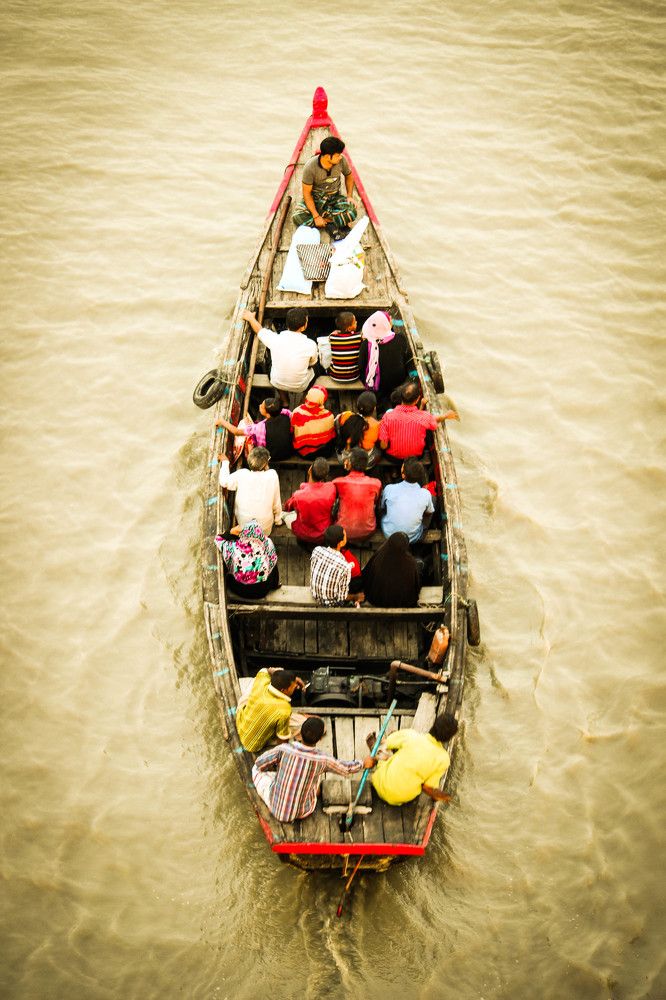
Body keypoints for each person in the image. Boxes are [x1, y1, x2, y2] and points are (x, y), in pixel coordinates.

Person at [252, 716, 374, 823]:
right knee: (315, 774)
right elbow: (346, 769)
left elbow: (259, 763)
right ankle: (313, 790)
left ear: (300, 733)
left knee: (256, 770)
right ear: (320, 739)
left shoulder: (284, 749)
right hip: (303, 812)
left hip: (275, 807)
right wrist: (363, 763)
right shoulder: (322, 759)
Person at [369, 714, 459, 806]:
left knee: (391, 740)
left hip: (379, 784)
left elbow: (387, 742)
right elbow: (428, 788)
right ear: (448, 738)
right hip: (399, 798)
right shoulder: (443, 759)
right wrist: (441, 797)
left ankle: (379, 755)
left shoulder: (411, 735)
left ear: (434, 725)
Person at [242, 307, 317, 404]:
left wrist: (251, 318)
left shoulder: (275, 339)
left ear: (287, 324)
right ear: (303, 327)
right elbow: (312, 364)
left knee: (271, 364)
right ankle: (303, 399)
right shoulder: (310, 344)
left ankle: (284, 400)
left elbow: (259, 330)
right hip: (301, 386)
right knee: (317, 369)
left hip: (277, 382)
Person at [292, 135, 358, 240]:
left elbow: (349, 176)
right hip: (316, 198)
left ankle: (326, 221)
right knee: (297, 216)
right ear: (328, 156)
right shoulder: (310, 168)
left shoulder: (342, 161)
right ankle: (331, 222)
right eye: (337, 155)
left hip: (334, 197)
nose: (340, 157)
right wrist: (316, 216)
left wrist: (349, 196)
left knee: (352, 212)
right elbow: (307, 193)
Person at [379, 381, 459, 461]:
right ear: (417, 399)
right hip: (415, 458)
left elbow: (383, 446)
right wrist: (445, 416)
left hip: (393, 458)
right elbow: (433, 424)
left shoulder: (387, 417)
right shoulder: (424, 416)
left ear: (401, 397)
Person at [237, 668, 307, 753]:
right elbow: (282, 740)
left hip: (240, 721)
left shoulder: (262, 682)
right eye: (293, 686)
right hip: (252, 745)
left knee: (254, 681)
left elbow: (266, 670)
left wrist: (294, 679)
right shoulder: (284, 709)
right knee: (301, 722)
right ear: (283, 690)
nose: (296, 686)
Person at [218, 446, 283, 536]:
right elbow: (277, 502)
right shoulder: (272, 475)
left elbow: (224, 482)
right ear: (265, 464)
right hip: (264, 530)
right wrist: (278, 520)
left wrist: (225, 462)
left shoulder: (242, 474)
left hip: (243, 528)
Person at [215, 519, 280, 600]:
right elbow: (273, 563)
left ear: (243, 534)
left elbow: (218, 539)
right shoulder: (267, 543)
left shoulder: (233, 548)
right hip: (263, 591)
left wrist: (231, 531)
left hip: (241, 590)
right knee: (272, 560)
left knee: (230, 574)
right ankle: (275, 585)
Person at [358, 311, 412, 405]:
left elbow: (361, 366)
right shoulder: (400, 338)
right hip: (398, 380)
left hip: (377, 383)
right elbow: (404, 357)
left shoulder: (366, 344)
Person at [216, 396, 293, 462]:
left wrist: (222, 422)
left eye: (262, 407)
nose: (259, 406)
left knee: (249, 438)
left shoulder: (260, 428)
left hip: (272, 457)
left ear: (268, 414)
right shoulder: (285, 413)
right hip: (288, 452)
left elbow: (236, 432)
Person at [380, 456, 435, 544]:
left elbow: (382, 507)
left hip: (388, 534)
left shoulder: (389, 488)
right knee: (433, 500)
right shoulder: (425, 494)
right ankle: (423, 528)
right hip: (411, 538)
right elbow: (429, 512)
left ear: (403, 475)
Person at [331, 447, 382, 542]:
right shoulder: (376, 484)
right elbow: (376, 501)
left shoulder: (338, 482)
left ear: (349, 463)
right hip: (368, 532)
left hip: (343, 532)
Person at [283, 457, 336, 546]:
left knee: (285, 515)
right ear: (326, 475)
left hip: (303, 534)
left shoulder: (298, 495)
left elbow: (287, 507)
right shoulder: (331, 488)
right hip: (323, 534)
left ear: (310, 469)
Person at [361, 531, 421, 607]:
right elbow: (415, 587)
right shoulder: (411, 563)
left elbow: (366, 576)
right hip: (403, 604)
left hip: (376, 601)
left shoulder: (379, 556)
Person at [310, 525, 359, 607]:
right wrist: (355, 597)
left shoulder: (317, 550)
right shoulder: (344, 566)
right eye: (345, 535)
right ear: (341, 543)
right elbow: (342, 597)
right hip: (330, 604)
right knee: (357, 585)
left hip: (314, 593)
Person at [336, 390, 381, 467]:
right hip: (364, 462)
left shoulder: (346, 416)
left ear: (357, 405)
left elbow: (336, 422)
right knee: (379, 451)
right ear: (374, 409)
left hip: (344, 459)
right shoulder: (377, 425)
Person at [291, 385, 336, 457]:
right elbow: (331, 436)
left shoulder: (297, 412)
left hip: (303, 453)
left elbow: (292, 431)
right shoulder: (329, 416)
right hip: (324, 453)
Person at [328, 311, 362, 383]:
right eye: (354, 322)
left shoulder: (332, 337)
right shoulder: (358, 337)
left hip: (335, 377)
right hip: (354, 377)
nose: (356, 322)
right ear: (349, 329)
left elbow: (330, 336)